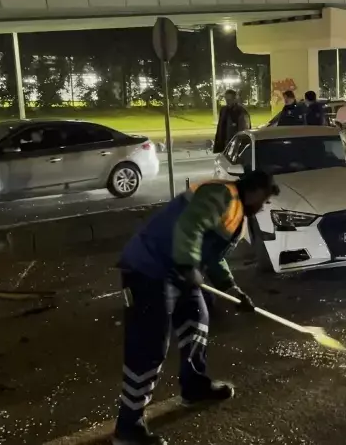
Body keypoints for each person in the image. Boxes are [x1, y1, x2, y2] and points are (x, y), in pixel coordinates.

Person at [112, 171, 279, 445]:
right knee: (149, 347)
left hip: (179, 272)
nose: (263, 206)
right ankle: (128, 428)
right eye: (264, 199)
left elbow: (213, 258)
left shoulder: (236, 213)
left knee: (197, 322)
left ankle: (194, 387)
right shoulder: (221, 194)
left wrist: (232, 290)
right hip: (149, 269)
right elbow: (190, 226)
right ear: (255, 190)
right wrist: (189, 265)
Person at [213, 89, 250, 154]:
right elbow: (220, 128)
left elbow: (244, 131)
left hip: (235, 146)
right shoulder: (223, 110)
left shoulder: (241, 111)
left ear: (235, 99)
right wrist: (218, 145)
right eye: (226, 100)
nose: (227, 102)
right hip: (224, 145)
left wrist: (238, 146)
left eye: (229, 100)